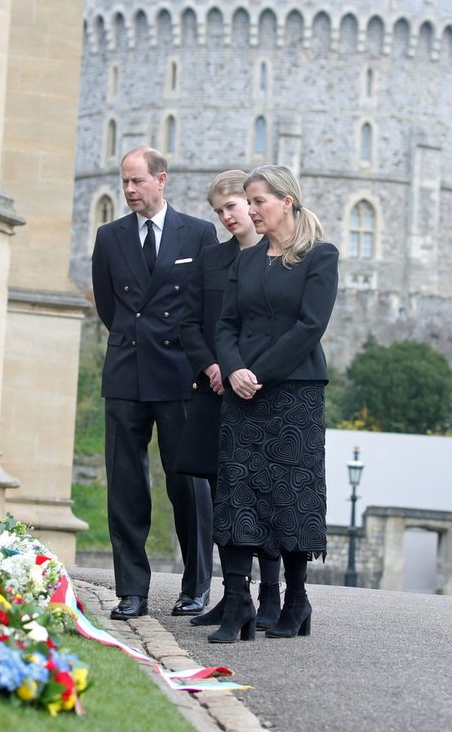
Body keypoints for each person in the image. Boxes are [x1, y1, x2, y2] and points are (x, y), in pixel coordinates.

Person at [210, 164, 338, 643]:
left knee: (290, 493)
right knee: (239, 490)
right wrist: (234, 368)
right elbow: (225, 325)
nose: (251, 210)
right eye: (249, 201)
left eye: (258, 200)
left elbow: (310, 327)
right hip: (243, 390)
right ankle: (239, 601)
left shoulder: (320, 257)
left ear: (286, 201)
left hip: (294, 392)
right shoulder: (246, 260)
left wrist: (256, 374)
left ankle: (297, 598)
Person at [91, 146, 218, 620]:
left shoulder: (199, 234)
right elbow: (108, 306)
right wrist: (133, 339)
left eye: (137, 182)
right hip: (126, 371)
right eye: (124, 182)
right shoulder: (109, 237)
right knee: (125, 483)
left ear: (161, 180)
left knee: (188, 484)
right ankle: (132, 590)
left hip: (181, 374)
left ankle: (197, 586)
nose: (128, 191)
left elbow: (208, 307)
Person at [177, 170, 282, 630]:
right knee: (222, 495)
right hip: (215, 389)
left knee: (265, 493)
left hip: (259, 389)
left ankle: (271, 595)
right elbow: (188, 323)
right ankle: (233, 594)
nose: (226, 217)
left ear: (252, 204)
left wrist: (244, 368)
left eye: (233, 207)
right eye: (218, 211)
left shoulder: (278, 255)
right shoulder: (211, 260)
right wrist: (213, 365)